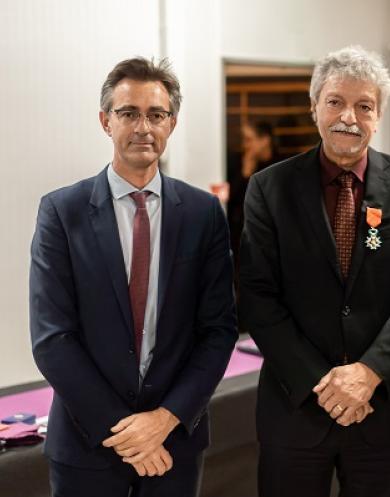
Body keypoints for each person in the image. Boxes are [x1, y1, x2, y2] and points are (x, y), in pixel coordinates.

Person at [238, 45, 390, 497]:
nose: (348, 117)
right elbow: (257, 293)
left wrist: (369, 373)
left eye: (364, 105)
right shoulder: (269, 188)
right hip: (296, 408)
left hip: (384, 410)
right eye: (335, 101)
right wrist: (326, 385)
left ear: (379, 115)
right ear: (314, 107)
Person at [29, 57, 237, 497]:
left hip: (174, 441)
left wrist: (163, 420)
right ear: (106, 121)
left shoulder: (203, 215)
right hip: (87, 444)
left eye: (156, 114)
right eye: (129, 113)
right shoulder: (61, 213)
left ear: (172, 123)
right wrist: (129, 435)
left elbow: (218, 331)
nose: (144, 127)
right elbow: (52, 338)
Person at [227, 121, 280, 271]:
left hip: (271, 241)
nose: (245, 145)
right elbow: (231, 202)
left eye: (249, 140)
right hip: (242, 239)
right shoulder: (239, 163)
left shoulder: (281, 167)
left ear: (265, 140)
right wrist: (245, 174)